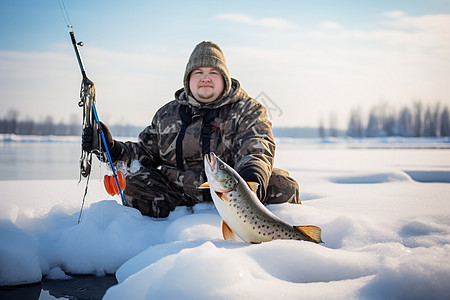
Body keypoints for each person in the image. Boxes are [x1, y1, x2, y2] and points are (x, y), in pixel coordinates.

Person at [83, 41, 300, 218]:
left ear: (224, 79)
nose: (206, 77)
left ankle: (269, 237)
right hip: (175, 196)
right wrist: (112, 149)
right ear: (188, 79)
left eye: (213, 72)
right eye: (199, 72)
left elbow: (256, 149)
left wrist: (248, 185)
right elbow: (145, 154)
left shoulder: (248, 109)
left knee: (283, 185)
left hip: (231, 195)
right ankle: (154, 232)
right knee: (133, 179)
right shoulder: (167, 114)